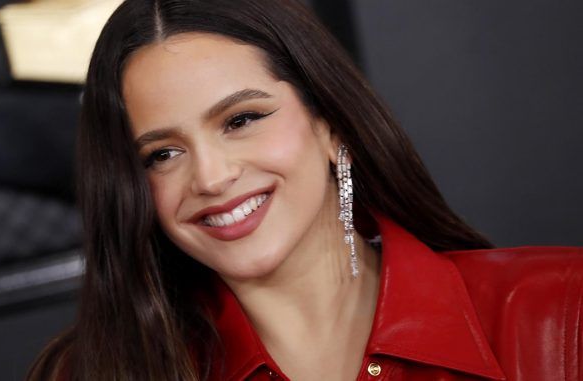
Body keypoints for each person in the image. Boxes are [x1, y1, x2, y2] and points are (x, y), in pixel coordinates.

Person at [28, 1, 582, 380]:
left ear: (329, 123)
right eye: (162, 154)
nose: (212, 177)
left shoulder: (560, 312)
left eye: (242, 119)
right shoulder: (92, 372)